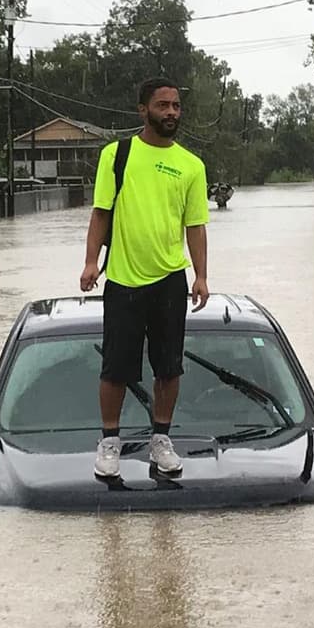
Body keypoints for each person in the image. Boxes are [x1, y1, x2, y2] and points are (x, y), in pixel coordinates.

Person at [78, 76, 210, 478]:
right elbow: (101, 212)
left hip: (170, 279)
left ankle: (161, 440)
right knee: (116, 367)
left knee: (169, 367)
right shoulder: (115, 156)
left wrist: (201, 275)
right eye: (163, 105)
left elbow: (196, 226)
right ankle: (109, 443)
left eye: (176, 106)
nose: (171, 112)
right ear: (143, 110)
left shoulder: (191, 166)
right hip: (122, 278)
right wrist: (89, 262)